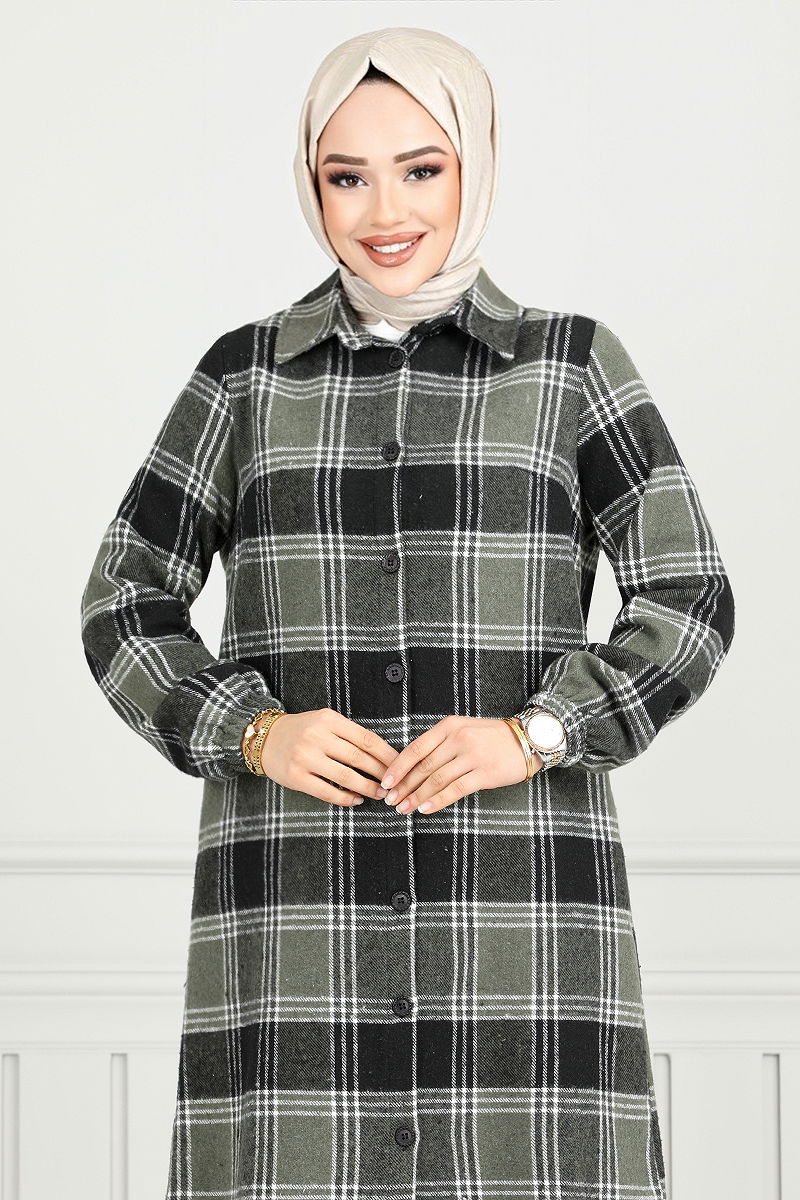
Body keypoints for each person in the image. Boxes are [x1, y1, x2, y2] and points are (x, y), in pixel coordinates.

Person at [79, 25, 735, 1200]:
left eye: (419, 168)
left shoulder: (569, 367)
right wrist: (250, 730)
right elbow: (125, 601)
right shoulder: (243, 378)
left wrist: (536, 732)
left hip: (520, 927)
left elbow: (687, 597)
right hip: (296, 926)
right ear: (311, 185)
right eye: (347, 177)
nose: (383, 210)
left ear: (474, 163)